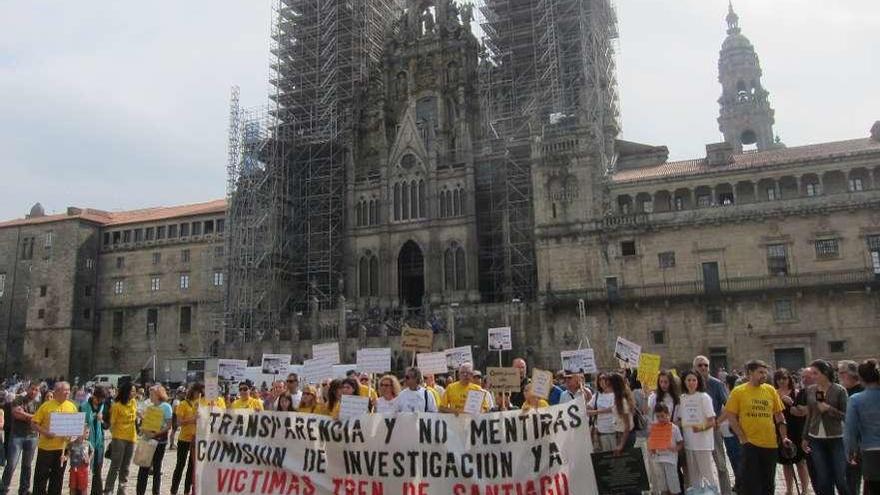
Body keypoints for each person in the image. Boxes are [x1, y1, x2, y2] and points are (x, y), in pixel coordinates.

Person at [724, 359, 792, 495]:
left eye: (765, 373)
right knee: (750, 483)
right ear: (750, 373)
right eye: (760, 372)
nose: (764, 375)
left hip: (770, 443)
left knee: (768, 483)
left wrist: (784, 437)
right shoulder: (739, 391)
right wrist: (741, 436)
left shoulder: (770, 390)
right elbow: (731, 415)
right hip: (750, 443)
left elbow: (779, 415)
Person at [803, 359, 849, 495]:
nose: (812, 376)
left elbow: (847, 415)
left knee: (841, 478)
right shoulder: (812, 390)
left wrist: (829, 409)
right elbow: (810, 415)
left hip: (837, 437)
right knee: (823, 478)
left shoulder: (839, 390)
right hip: (816, 438)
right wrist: (805, 437)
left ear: (825, 373)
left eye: (815, 373)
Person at [31, 381, 78, 495]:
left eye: (68, 390)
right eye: (65, 390)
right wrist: (45, 432)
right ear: (56, 392)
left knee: (57, 479)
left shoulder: (72, 406)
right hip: (46, 449)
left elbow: (75, 428)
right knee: (41, 478)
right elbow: (34, 424)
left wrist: (72, 436)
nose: (68, 392)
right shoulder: (46, 406)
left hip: (62, 449)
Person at [694, 355, 731, 495]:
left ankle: (726, 492)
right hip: (695, 430)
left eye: (706, 365)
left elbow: (729, 407)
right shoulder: (690, 383)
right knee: (698, 466)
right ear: (694, 368)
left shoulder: (716, 384)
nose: (703, 367)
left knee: (720, 464)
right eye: (700, 365)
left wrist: (718, 422)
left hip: (712, 429)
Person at [677, 370, 719, 491]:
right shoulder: (682, 398)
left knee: (707, 475)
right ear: (684, 382)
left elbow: (712, 421)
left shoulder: (704, 397)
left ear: (698, 381)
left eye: (694, 380)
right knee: (694, 478)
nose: (691, 383)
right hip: (689, 443)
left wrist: (700, 428)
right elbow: (681, 420)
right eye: (688, 380)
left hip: (703, 443)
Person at [844, 359, 880, 495]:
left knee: (874, 488)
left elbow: (850, 428)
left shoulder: (856, 399)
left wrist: (849, 450)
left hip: (870, 450)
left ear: (861, 378)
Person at [773, 368, 811, 495]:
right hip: (782, 429)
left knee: (801, 461)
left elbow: (804, 411)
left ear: (789, 379)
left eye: (784, 378)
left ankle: (805, 490)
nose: (782, 381)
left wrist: (792, 402)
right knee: (786, 462)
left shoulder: (797, 392)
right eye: (779, 379)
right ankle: (789, 490)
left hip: (797, 428)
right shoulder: (773, 393)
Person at [0, 382, 41, 495]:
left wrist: (25, 415)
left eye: (36, 390)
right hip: (17, 436)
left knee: (27, 465)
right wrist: (33, 417)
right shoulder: (18, 400)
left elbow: (40, 418)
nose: (33, 391)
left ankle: (24, 489)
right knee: (12, 464)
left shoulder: (38, 403)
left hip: (32, 436)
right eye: (32, 389)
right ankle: (3, 488)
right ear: (28, 389)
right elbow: (16, 414)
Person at [135, 386, 172, 495]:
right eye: (149, 394)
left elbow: (168, 425)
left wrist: (156, 433)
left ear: (158, 395)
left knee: (156, 468)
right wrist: (141, 419)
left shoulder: (166, 407)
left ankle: (156, 492)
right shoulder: (148, 406)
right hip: (147, 439)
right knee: (143, 468)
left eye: (152, 394)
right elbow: (145, 420)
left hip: (160, 441)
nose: (150, 396)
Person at [104, 382, 137, 495]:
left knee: (126, 466)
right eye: (132, 391)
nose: (134, 393)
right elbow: (112, 425)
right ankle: (109, 489)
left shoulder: (133, 402)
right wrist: (115, 438)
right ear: (126, 392)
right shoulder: (116, 406)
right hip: (119, 438)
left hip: (131, 438)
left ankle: (122, 489)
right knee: (115, 465)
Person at [170, 384, 201, 495]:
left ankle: (186, 491)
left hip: (196, 439)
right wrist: (192, 419)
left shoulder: (201, 405)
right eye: (198, 392)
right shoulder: (183, 404)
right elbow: (178, 422)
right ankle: (173, 490)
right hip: (184, 439)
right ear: (193, 392)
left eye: (201, 392)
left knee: (191, 467)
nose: (199, 394)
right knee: (180, 465)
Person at [839, 360, 865, 495]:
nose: (840, 375)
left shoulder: (863, 391)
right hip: (846, 440)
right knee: (850, 480)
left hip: (862, 441)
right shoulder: (840, 391)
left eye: (842, 372)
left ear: (853, 373)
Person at [648, 403, 684, 495]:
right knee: (663, 487)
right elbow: (651, 444)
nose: (660, 419)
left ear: (668, 414)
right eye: (658, 416)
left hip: (670, 460)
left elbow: (680, 443)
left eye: (663, 416)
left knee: (673, 486)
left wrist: (675, 448)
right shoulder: (654, 428)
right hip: (658, 460)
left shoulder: (674, 428)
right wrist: (652, 449)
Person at [79, 387, 106, 495]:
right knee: (82, 468)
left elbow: (106, 425)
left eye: (102, 400)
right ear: (94, 396)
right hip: (86, 442)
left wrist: (102, 420)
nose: (100, 402)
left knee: (98, 470)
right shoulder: (84, 406)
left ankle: (97, 492)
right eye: (98, 399)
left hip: (99, 442)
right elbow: (79, 423)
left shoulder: (103, 406)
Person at [590, 373, 618, 452]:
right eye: (600, 379)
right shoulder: (597, 395)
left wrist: (596, 412)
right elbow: (588, 409)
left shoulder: (616, 394)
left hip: (615, 431)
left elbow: (613, 409)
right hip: (602, 431)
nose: (602, 381)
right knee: (606, 456)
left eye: (604, 378)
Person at [66, 429, 93, 495]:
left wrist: (89, 459)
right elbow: (68, 454)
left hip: (83, 469)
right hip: (73, 469)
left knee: (83, 488)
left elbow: (92, 451)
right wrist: (64, 458)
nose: (88, 434)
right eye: (86, 432)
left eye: (88, 432)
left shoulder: (88, 443)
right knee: (72, 487)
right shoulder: (71, 444)